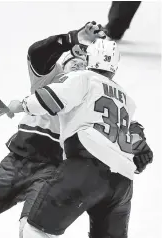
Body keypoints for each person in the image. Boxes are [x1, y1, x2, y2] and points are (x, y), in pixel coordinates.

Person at [0, 21, 105, 238]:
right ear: (62, 63)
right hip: (14, 162)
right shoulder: (51, 78)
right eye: (74, 61)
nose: (79, 65)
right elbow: (37, 53)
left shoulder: (92, 92)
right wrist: (71, 39)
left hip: (54, 171)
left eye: (84, 63)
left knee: (33, 233)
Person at [8, 39, 153, 238]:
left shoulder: (83, 77)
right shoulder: (128, 100)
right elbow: (133, 138)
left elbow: (51, 99)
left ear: (89, 58)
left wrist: (22, 104)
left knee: (36, 230)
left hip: (86, 166)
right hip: (122, 181)